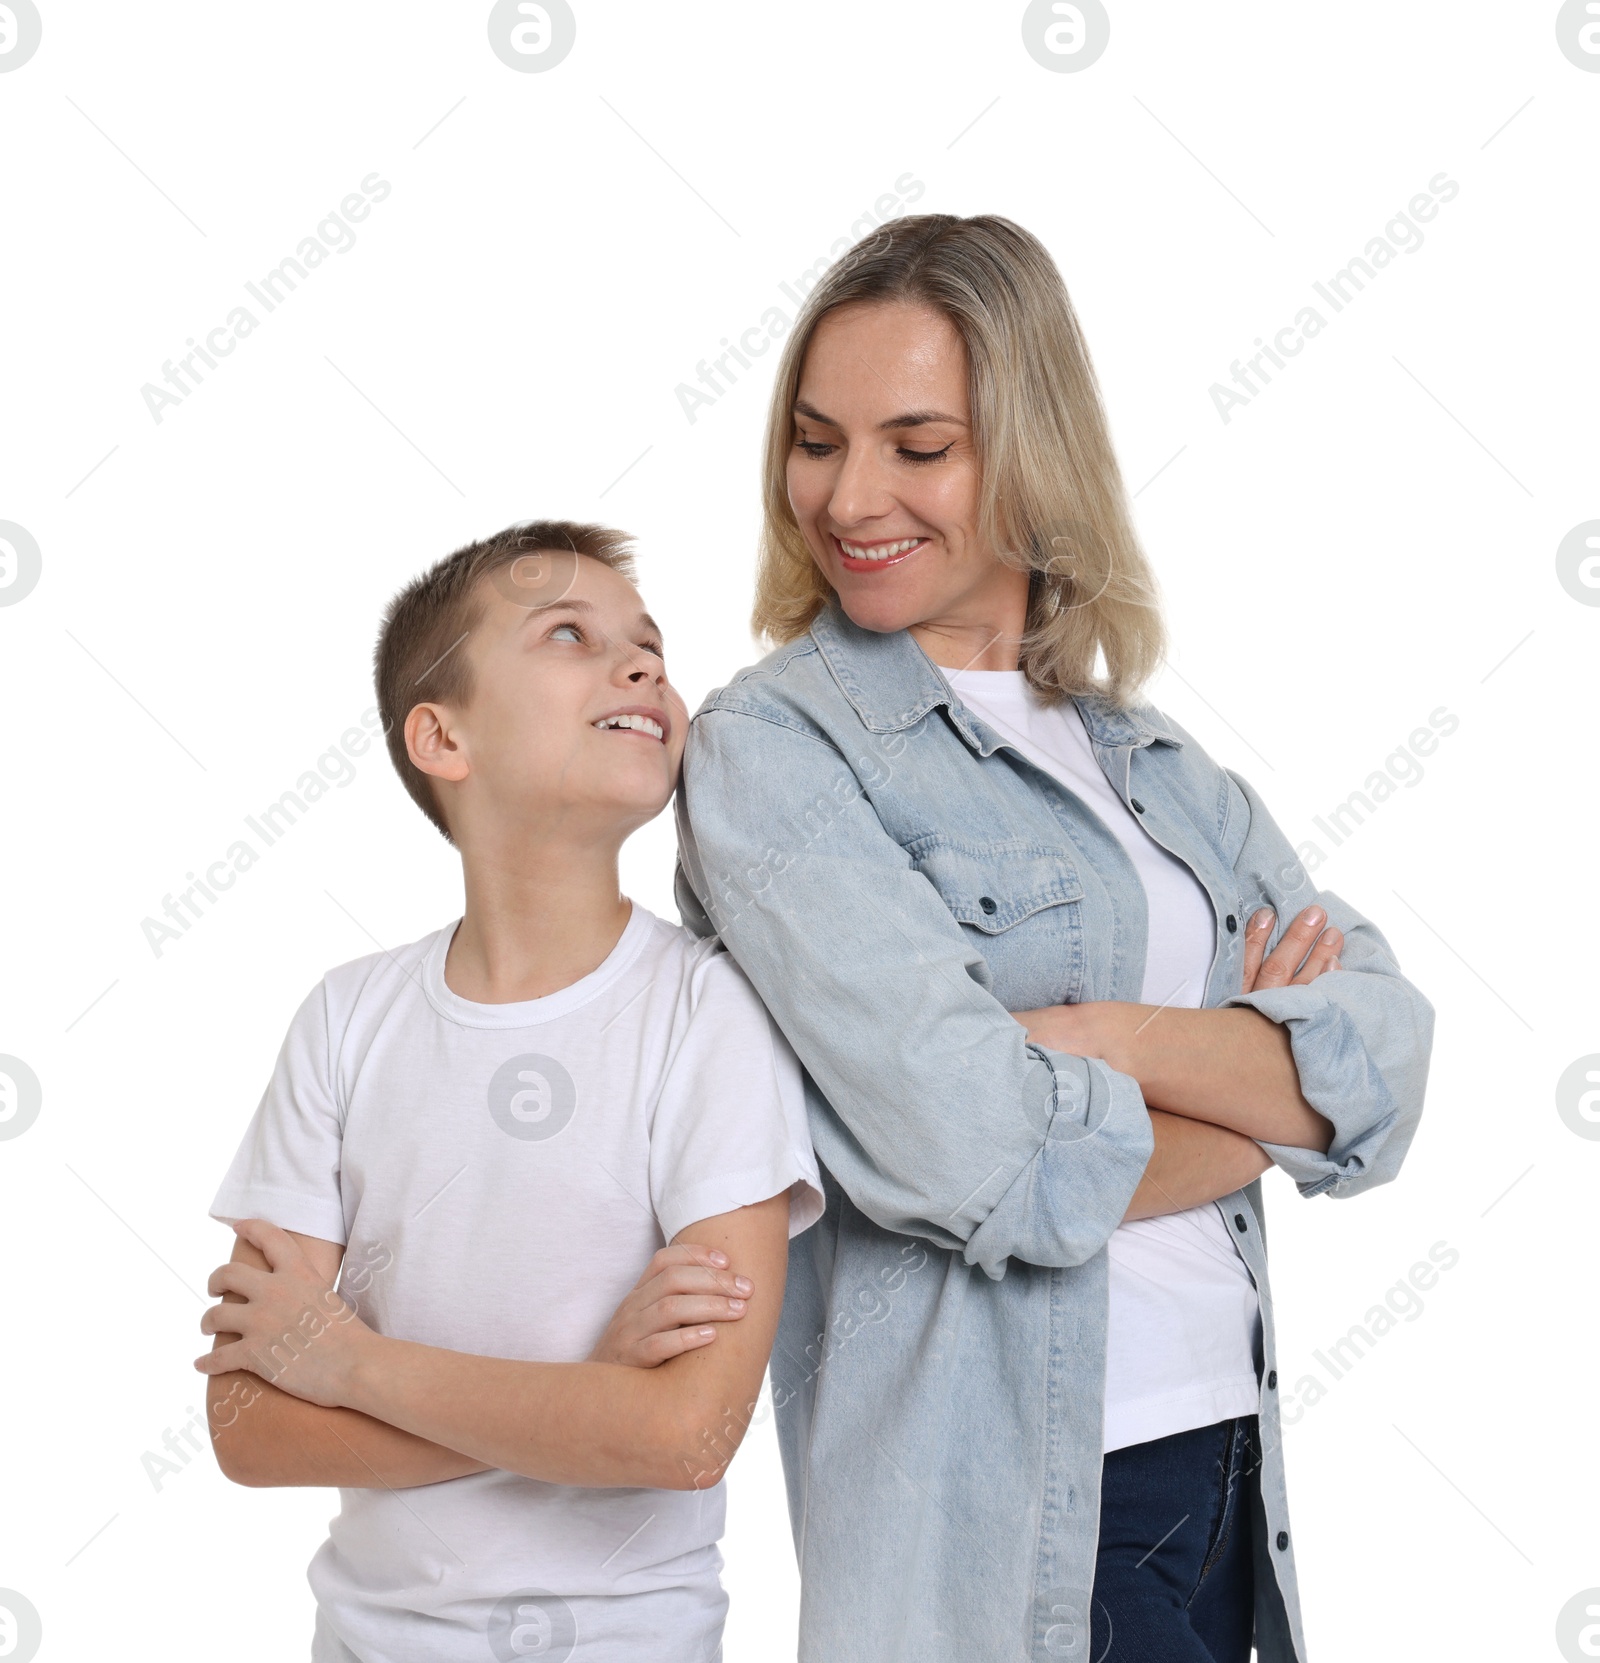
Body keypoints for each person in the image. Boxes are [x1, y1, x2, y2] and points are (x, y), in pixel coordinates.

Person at [673, 216, 1434, 1662]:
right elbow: (983, 1152)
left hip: (1226, 1463)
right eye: (819, 440)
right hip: (1019, 1504)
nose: (849, 494)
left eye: (918, 443)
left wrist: (1117, 1043)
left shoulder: (1150, 762)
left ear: (1029, 450)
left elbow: (1390, 1059)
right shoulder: (773, 750)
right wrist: (1273, 1105)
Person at [196, 521, 823, 1663]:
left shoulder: (711, 1014)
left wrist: (350, 1367)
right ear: (442, 736)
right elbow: (247, 1428)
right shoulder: (346, 1019)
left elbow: (689, 1432)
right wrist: (586, 1397)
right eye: (570, 636)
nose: (641, 665)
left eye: (649, 645)